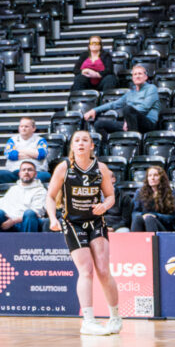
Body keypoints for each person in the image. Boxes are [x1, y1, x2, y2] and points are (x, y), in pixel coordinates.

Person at [44, 131, 122, 336]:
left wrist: (105, 206)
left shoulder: (101, 168)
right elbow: (50, 196)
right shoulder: (64, 168)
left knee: (103, 270)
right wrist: (53, 218)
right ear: (72, 146)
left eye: (84, 140)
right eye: (76, 140)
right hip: (72, 223)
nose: (80, 143)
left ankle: (115, 317)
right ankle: (88, 320)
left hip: (96, 221)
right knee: (86, 270)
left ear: (92, 146)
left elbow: (111, 195)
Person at [84, 65, 160, 143]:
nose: (137, 76)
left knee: (127, 109)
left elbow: (144, 107)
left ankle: (134, 144)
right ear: (132, 78)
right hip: (130, 123)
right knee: (99, 124)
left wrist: (128, 118)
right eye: (135, 74)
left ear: (146, 77)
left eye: (140, 74)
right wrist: (94, 110)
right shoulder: (130, 93)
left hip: (148, 123)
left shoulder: (151, 88)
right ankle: (108, 149)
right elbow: (113, 104)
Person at [0, 160, 46, 232]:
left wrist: (13, 221)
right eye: (23, 170)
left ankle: (28, 243)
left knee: (29, 213)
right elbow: (1, 205)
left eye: (30, 170)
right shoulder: (13, 189)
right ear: (19, 174)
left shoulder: (40, 191)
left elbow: (36, 213)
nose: (26, 172)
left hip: (26, 224)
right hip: (9, 223)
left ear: (35, 174)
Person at [0, 117, 50, 186]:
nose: (23, 128)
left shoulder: (40, 140)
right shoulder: (12, 140)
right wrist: (32, 154)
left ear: (33, 128)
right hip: (15, 171)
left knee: (45, 176)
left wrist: (19, 151)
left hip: (36, 171)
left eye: (26, 126)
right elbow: (10, 154)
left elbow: (41, 154)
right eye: (21, 126)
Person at [130, 165, 175, 232]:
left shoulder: (170, 193)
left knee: (150, 219)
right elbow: (135, 213)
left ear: (161, 178)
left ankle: (154, 242)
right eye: (150, 175)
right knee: (138, 218)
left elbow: (173, 218)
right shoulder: (140, 192)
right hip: (144, 222)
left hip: (163, 227)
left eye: (155, 175)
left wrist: (156, 216)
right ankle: (136, 242)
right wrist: (143, 215)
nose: (152, 178)